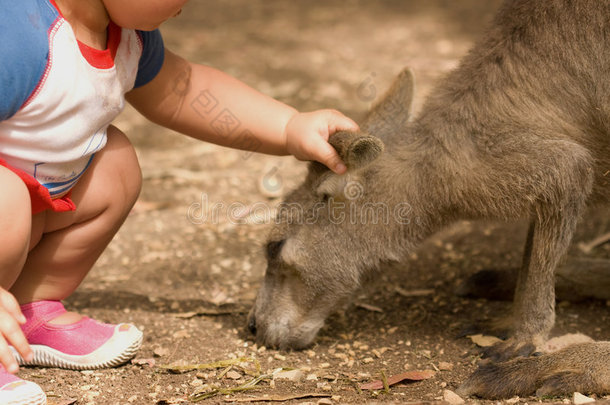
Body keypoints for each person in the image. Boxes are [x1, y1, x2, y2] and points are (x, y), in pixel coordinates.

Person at [0, 0, 358, 403]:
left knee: (115, 167)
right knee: (6, 196)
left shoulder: (127, 37)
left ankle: (29, 308)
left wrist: (290, 127)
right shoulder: (18, 37)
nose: (184, 8)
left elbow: (183, 89)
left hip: (32, 216)